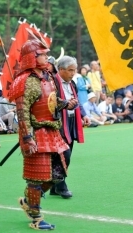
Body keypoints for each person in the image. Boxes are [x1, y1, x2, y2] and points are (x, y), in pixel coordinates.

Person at [8, 37, 76, 230]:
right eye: (42, 54)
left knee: (58, 171)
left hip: (52, 131)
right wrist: (27, 138)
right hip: (36, 132)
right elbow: (22, 113)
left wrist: (64, 104)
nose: (46, 57)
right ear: (32, 57)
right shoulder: (24, 81)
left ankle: (29, 201)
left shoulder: (47, 76)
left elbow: (51, 102)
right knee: (37, 177)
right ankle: (36, 216)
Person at [51, 55, 90, 199]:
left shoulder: (72, 83)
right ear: (60, 70)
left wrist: (83, 115)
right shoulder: (52, 83)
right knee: (63, 155)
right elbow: (52, 102)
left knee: (67, 154)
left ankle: (54, 186)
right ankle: (61, 186)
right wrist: (66, 104)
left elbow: (77, 101)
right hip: (59, 123)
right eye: (70, 70)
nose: (73, 73)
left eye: (74, 70)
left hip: (72, 121)